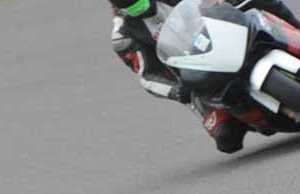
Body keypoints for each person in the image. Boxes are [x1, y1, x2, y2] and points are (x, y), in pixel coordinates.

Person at [109, 0, 300, 153]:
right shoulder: (123, 36)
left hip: (225, 37)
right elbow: (148, 76)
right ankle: (257, 118)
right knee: (226, 137)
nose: (144, 7)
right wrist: (174, 90)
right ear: (120, 7)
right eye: (135, 6)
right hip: (196, 79)